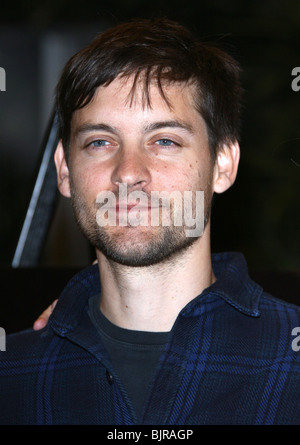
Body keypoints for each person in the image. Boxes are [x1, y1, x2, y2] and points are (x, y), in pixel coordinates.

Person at [1, 18, 300, 425]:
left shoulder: (291, 364)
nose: (128, 172)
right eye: (100, 142)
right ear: (65, 171)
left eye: (164, 141)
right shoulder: (12, 377)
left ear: (223, 165)